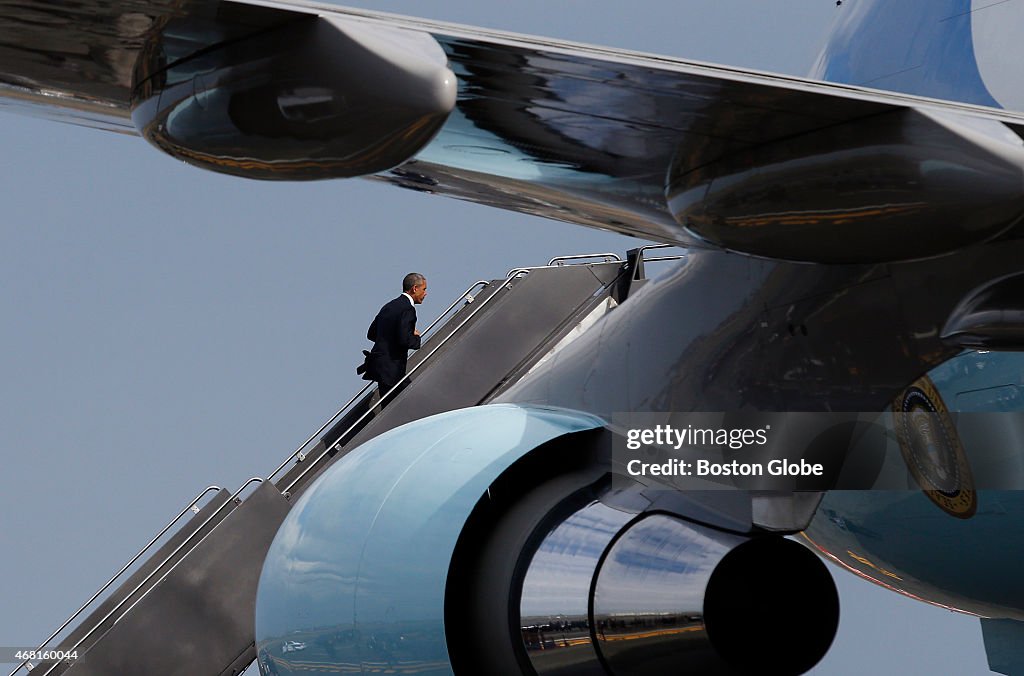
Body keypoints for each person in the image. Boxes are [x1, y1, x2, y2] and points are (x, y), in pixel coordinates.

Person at [358, 272, 427, 408]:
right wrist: (415, 337)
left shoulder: (389, 306)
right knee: (405, 404)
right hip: (392, 369)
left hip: (380, 366)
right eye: (424, 289)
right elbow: (404, 340)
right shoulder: (408, 309)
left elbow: (371, 334)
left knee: (389, 404)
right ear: (415, 289)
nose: (425, 293)